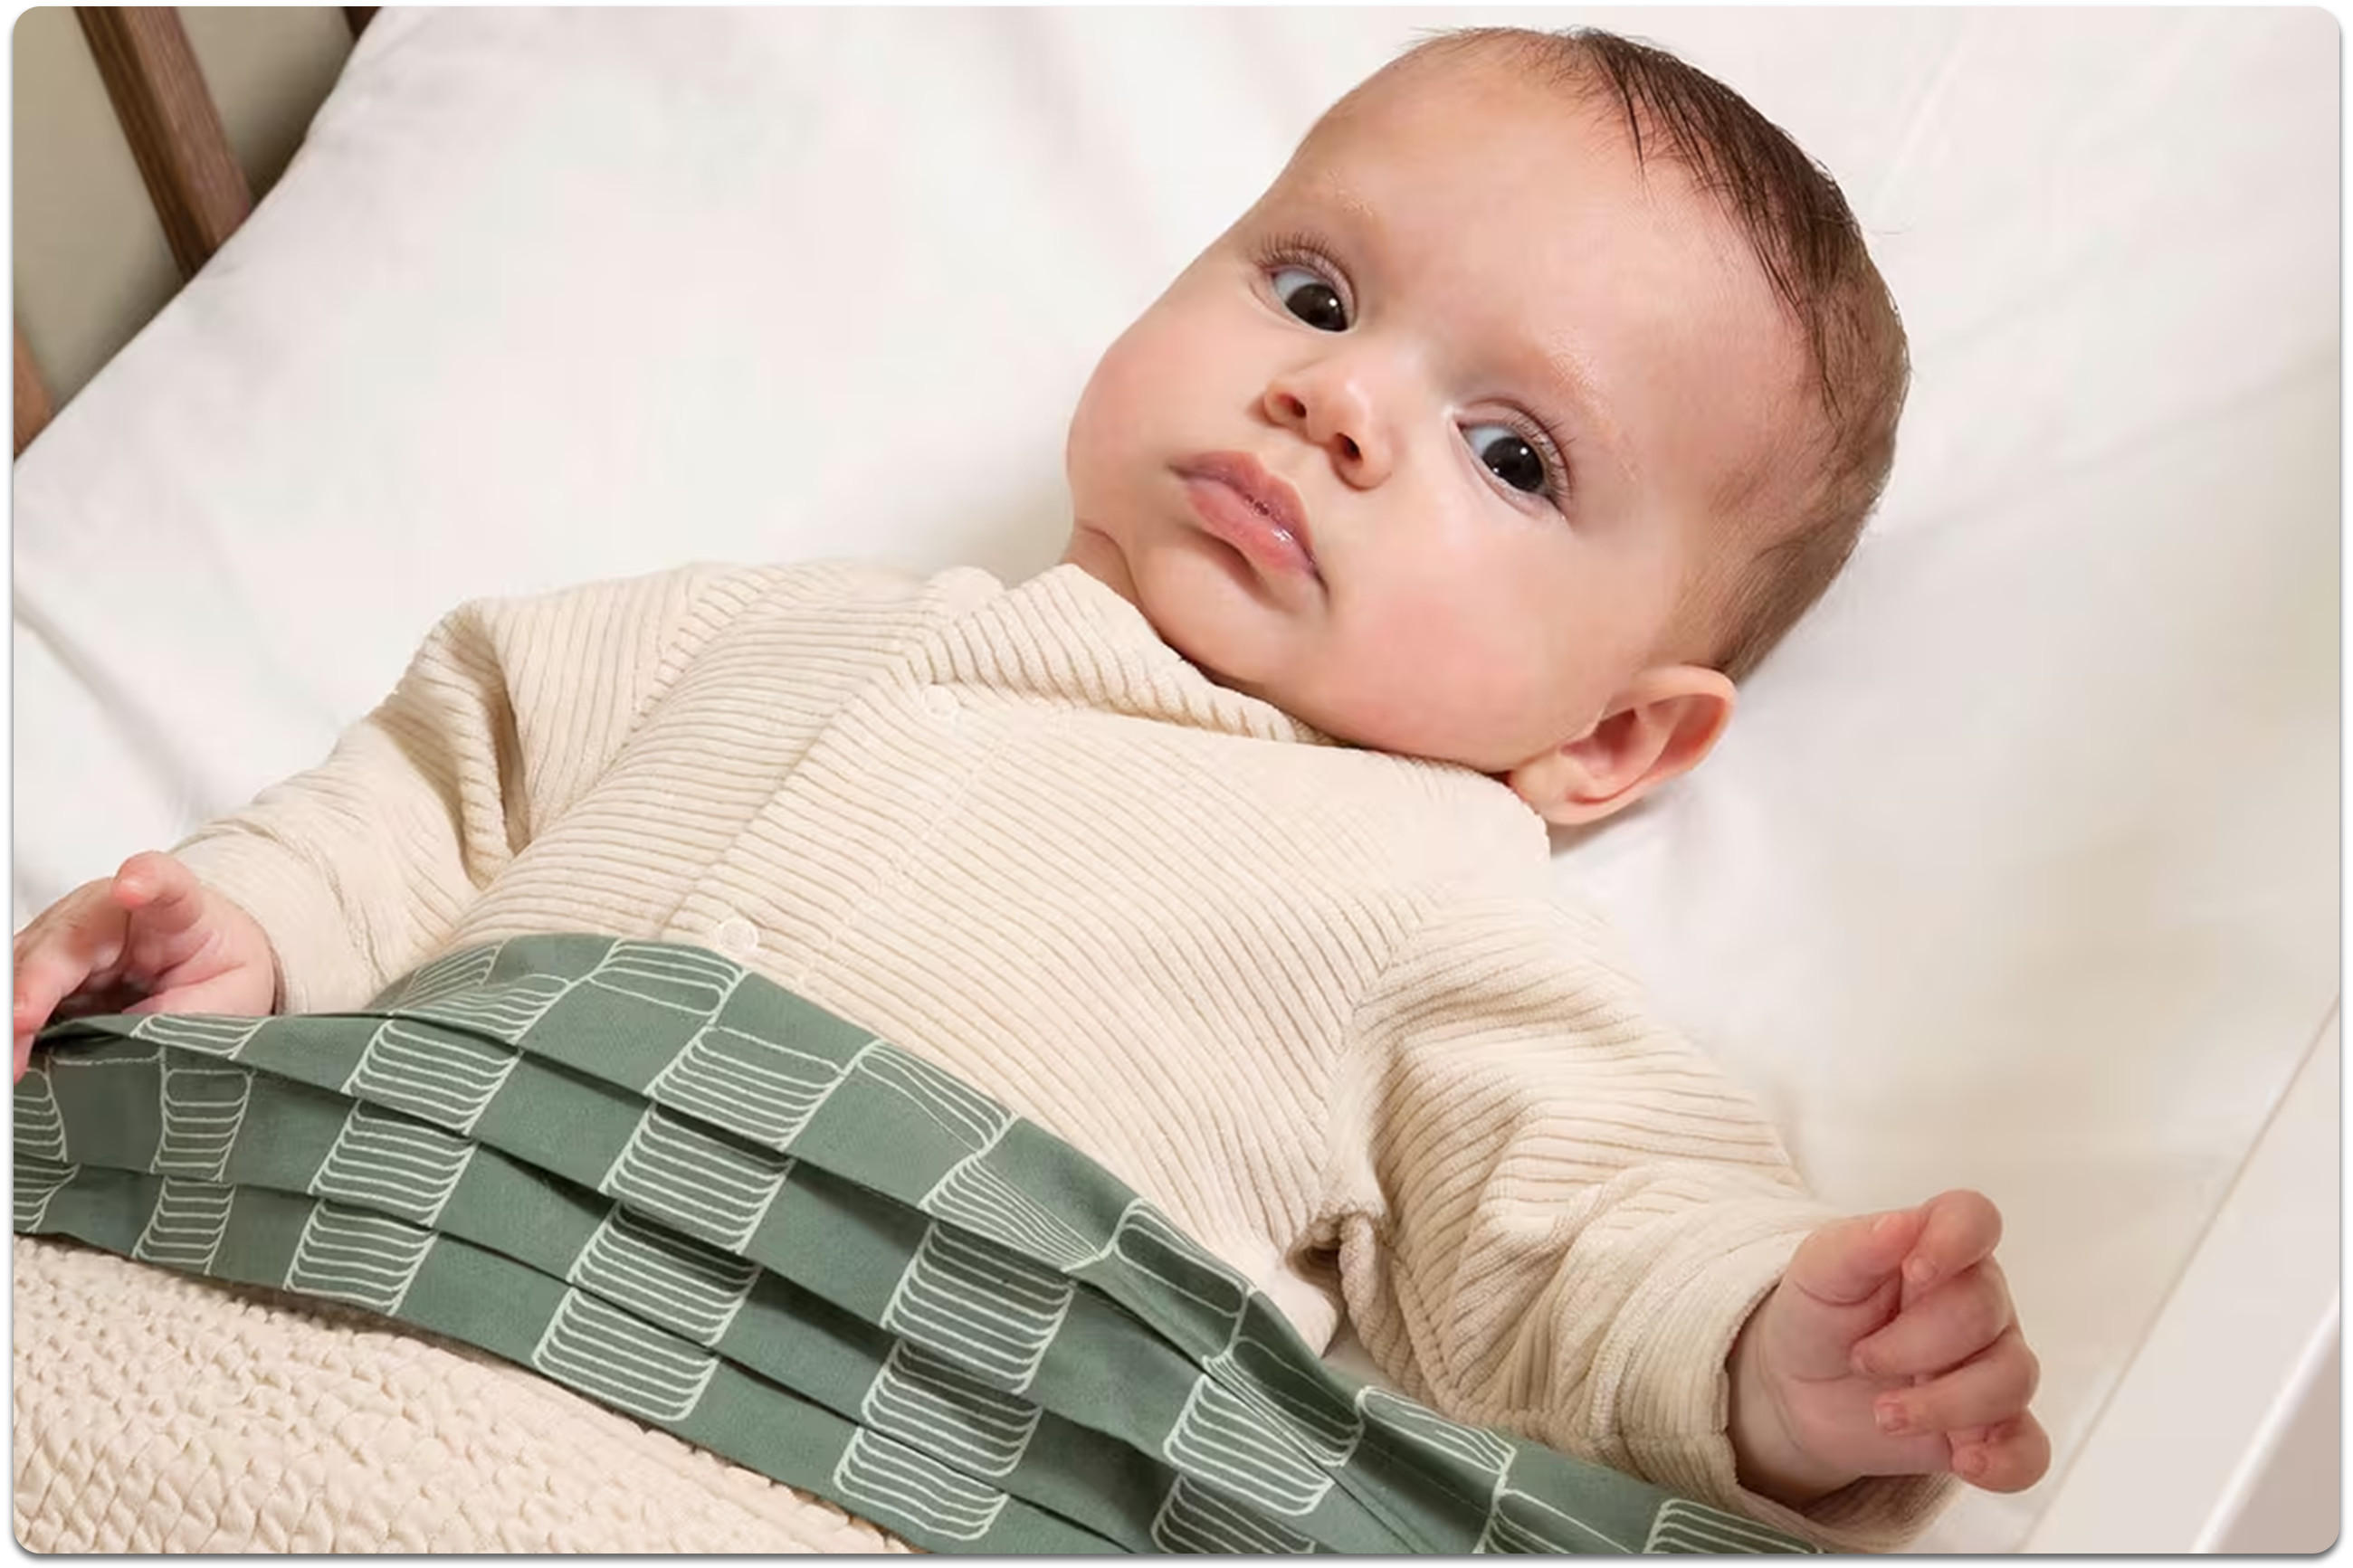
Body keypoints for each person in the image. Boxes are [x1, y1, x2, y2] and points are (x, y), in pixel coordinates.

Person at [11, 25, 2044, 1550]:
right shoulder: (742, 625)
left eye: (1511, 456)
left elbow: (1592, 1225)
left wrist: (1779, 1352)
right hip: (267, 1302)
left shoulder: (1425, 892)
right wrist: (253, 917)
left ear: (1610, 739)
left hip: (771, 1475)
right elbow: (441, 790)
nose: (1335, 398)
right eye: (1316, 295)